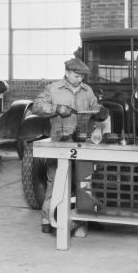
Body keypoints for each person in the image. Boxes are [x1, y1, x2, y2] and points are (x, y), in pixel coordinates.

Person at [32, 56, 109, 234]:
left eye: (82, 76)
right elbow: (36, 107)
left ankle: (87, 216)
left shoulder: (87, 90)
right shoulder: (53, 89)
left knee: (85, 180)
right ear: (67, 73)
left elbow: (95, 107)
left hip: (83, 142)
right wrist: (56, 109)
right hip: (60, 142)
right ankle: (47, 219)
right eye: (76, 76)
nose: (80, 79)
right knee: (56, 182)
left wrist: (101, 112)